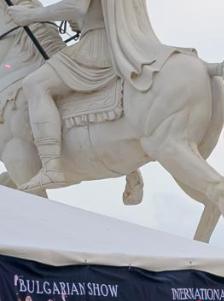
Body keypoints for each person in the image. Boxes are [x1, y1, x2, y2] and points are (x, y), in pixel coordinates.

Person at [8, 0, 186, 191]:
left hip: (97, 45)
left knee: (35, 84)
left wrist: (30, 16)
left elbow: (76, 7)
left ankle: (51, 167)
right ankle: (128, 168)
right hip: (123, 43)